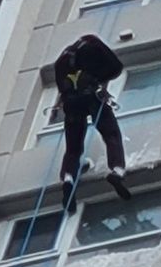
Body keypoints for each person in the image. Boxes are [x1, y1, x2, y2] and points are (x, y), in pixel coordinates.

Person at [54, 34, 131, 214]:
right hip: (93, 97)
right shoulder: (92, 43)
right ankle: (117, 171)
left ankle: (68, 178)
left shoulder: (61, 61)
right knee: (111, 135)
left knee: (73, 148)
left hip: (72, 103)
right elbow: (116, 68)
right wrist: (99, 81)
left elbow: (63, 88)